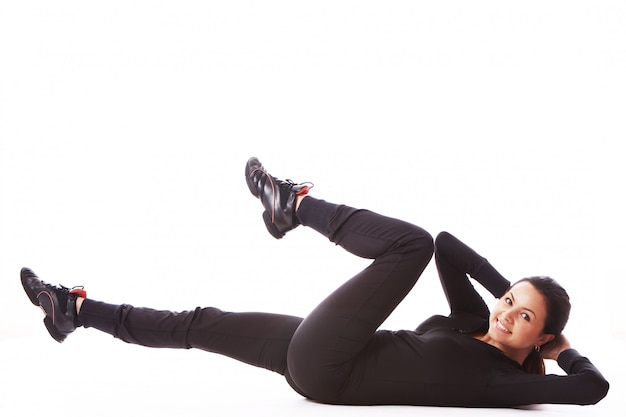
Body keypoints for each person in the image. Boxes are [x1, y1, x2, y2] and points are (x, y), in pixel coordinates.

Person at [21, 157, 609, 408]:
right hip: (323, 360)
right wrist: (512, 302)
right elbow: (454, 250)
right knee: (203, 323)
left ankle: (294, 208)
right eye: (508, 301)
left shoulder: (500, 381)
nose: (505, 312)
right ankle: (77, 311)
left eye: (522, 317)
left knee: (411, 246)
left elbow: (593, 391)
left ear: (539, 339)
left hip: (332, 369)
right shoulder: (470, 324)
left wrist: (562, 349)